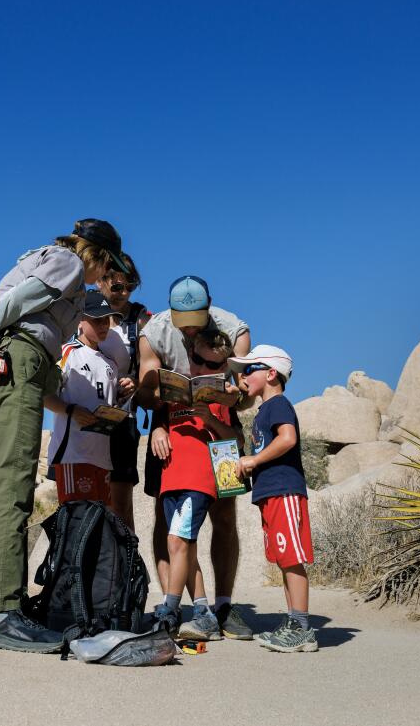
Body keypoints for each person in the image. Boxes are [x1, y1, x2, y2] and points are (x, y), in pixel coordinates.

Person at [0, 218, 130, 653]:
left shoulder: (68, 281)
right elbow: (14, 304)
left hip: (12, 367)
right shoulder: (66, 261)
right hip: (11, 361)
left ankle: (8, 606)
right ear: (96, 255)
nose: (105, 278)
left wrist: (71, 409)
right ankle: (2, 615)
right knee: (14, 491)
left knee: (12, 486)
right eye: (107, 268)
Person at [137, 275, 254, 640]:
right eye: (181, 323)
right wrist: (156, 424)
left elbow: (246, 396)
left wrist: (235, 392)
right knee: (168, 517)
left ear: (209, 309)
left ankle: (222, 605)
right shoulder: (154, 333)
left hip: (220, 427)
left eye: (195, 323)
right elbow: (146, 390)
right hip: (169, 426)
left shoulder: (234, 330)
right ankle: (175, 602)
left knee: (224, 514)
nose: (187, 333)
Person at [151, 330, 243, 641]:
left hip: (200, 479)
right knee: (180, 545)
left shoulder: (221, 396)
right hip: (171, 475)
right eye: (197, 360)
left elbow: (236, 440)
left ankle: (170, 608)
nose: (202, 369)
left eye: (212, 365)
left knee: (178, 540)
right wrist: (158, 430)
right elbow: (161, 418)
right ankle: (203, 612)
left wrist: (212, 419)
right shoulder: (175, 391)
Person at [231, 345, 317, 653]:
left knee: (292, 559)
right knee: (283, 560)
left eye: (249, 369)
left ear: (270, 374)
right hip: (270, 493)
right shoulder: (262, 410)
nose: (243, 375)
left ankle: (303, 627)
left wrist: (253, 461)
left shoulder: (278, 404)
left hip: (285, 490)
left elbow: (288, 438)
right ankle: (294, 622)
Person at [42, 291, 124, 505]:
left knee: (99, 525)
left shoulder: (111, 364)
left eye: (107, 319)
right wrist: (71, 410)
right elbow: (44, 394)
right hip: (73, 455)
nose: (104, 325)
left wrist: (124, 395)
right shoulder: (66, 352)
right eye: (97, 319)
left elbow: (108, 403)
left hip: (102, 457)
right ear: (80, 319)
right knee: (76, 522)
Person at [94, 254, 149, 528]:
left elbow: (150, 365)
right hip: (83, 419)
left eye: (130, 286)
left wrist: (136, 383)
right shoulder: (80, 309)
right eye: (117, 287)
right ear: (100, 281)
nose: (124, 293)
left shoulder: (139, 318)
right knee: (85, 502)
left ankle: (125, 568)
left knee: (121, 505)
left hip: (122, 421)